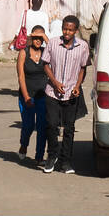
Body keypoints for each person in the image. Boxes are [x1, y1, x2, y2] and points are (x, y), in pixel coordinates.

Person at [42, 14, 92, 175]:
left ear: (76, 31)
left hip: (71, 94)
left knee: (69, 128)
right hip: (52, 92)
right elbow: (46, 65)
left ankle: (66, 162)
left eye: (70, 30)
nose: (67, 32)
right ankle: (51, 156)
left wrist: (77, 86)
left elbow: (83, 68)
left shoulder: (83, 47)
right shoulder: (53, 44)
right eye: (65, 29)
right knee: (51, 124)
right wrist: (55, 82)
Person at [16, 25, 49, 164]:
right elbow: (21, 77)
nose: (38, 41)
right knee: (28, 125)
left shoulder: (46, 52)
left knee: (42, 126)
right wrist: (26, 96)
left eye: (40, 38)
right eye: (35, 38)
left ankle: (39, 156)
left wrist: (45, 37)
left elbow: (53, 48)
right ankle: (24, 145)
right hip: (27, 95)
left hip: (42, 95)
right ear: (31, 38)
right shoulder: (24, 53)